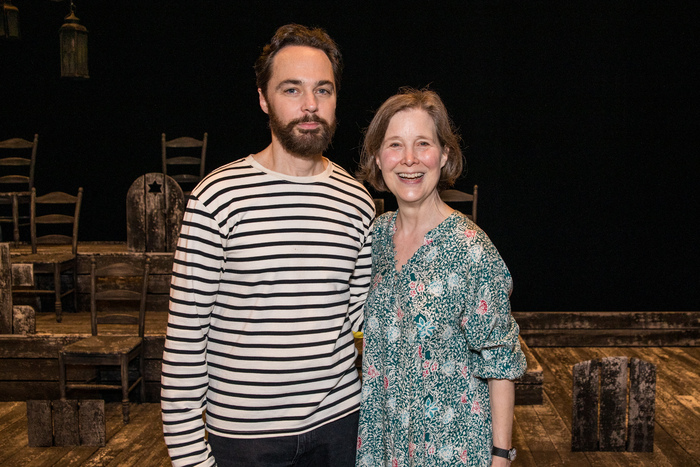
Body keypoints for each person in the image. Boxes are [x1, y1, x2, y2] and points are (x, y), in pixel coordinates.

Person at [161, 24, 374, 467]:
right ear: (263, 98)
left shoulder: (357, 199)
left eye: (323, 90)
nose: (310, 105)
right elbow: (184, 342)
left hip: (340, 427)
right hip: (244, 438)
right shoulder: (216, 198)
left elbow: (361, 319)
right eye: (291, 89)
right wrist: (189, 459)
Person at [355, 88, 526, 467]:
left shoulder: (472, 249)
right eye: (395, 145)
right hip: (386, 443)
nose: (410, 159)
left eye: (423, 144)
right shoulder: (375, 237)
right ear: (378, 158)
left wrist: (500, 456)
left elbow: (500, 361)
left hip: (453, 448)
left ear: (444, 154)